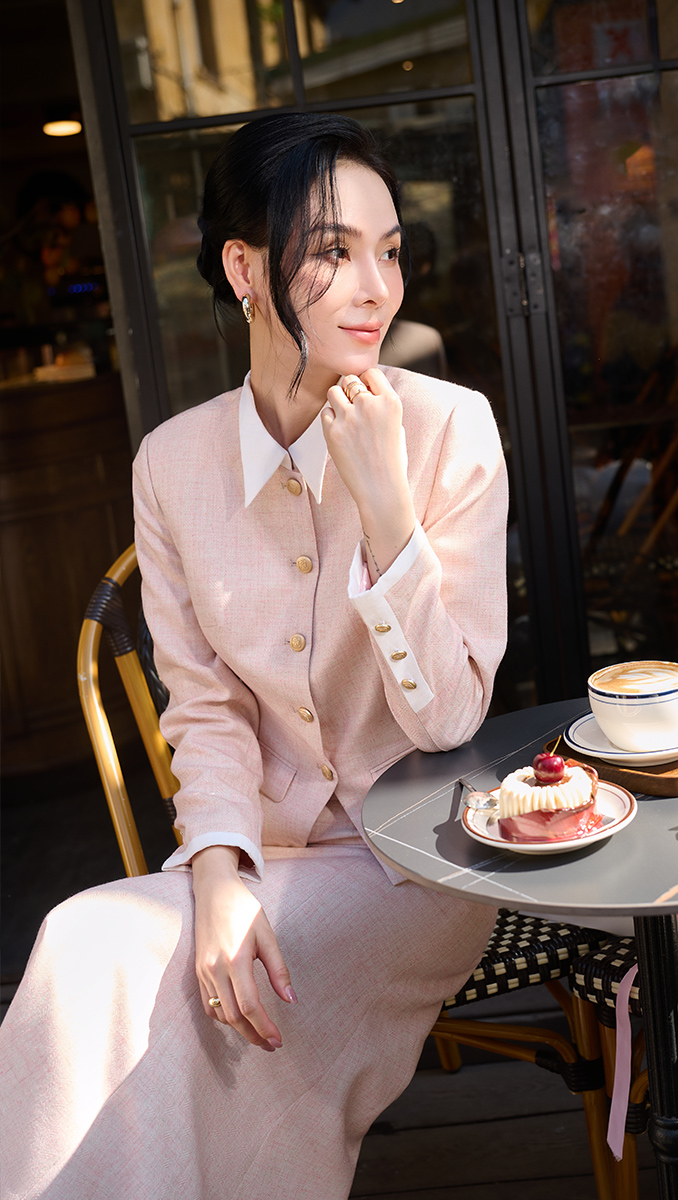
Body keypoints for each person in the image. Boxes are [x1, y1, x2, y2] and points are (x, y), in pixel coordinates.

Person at [0, 113, 508, 1199]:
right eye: (333, 251)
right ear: (243, 270)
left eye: (389, 251)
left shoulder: (450, 429)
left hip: (411, 863)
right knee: (83, 948)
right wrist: (219, 871)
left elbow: (449, 716)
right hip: (258, 851)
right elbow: (203, 707)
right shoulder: (170, 463)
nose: (376, 288)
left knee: (166, 998)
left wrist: (386, 509)